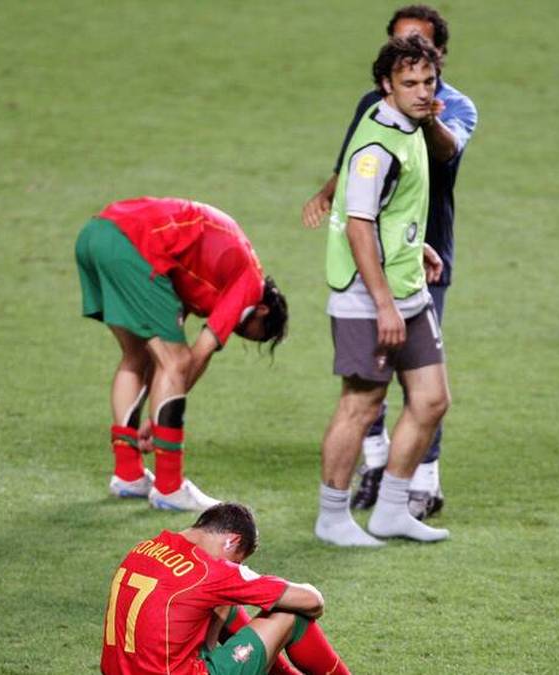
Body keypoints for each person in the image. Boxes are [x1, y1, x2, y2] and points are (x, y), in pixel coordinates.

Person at [303, 4, 477, 519]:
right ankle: (340, 509)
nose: (423, 86)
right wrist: (381, 302)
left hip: (415, 267)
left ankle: (402, 499)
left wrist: (414, 246)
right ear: (387, 84)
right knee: (363, 401)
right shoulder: (381, 132)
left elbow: (418, 180)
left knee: (428, 395)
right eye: (410, 78)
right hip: (372, 286)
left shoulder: (431, 117)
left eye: (429, 76)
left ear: (439, 60)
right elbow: (361, 216)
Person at [75, 197, 288, 511]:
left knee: (138, 357)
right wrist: (155, 421)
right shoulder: (250, 285)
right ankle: (170, 487)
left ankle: (128, 474)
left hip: (96, 234)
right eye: (254, 333)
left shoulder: (204, 279)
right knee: (177, 360)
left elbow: (164, 365)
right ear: (261, 310)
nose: (241, 334)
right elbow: (196, 356)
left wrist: (156, 419)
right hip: (134, 246)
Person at [101, 503, 351, 675]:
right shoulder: (212, 570)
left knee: (222, 602)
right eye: (238, 560)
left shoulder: (143, 548)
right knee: (290, 615)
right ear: (233, 540)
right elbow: (312, 600)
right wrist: (243, 574)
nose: (234, 566)